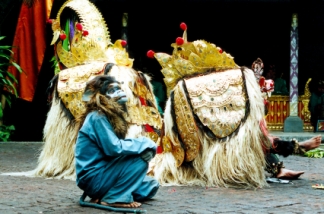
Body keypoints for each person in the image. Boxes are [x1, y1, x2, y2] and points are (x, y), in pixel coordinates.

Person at [74, 75, 159, 208]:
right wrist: (145, 143)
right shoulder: (97, 117)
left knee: (151, 185)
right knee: (140, 158)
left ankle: (106, 194)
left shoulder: (107, 116)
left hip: (103, 174)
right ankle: (114, 198)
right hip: (94, 178)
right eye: (112, 91)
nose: (119, 92)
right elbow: (114, 148)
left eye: (118, 89)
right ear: (101, 97)